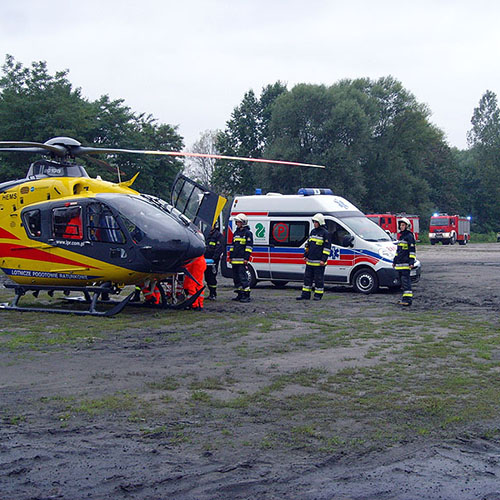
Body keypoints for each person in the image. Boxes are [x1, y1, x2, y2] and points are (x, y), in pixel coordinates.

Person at [297, 213, 331, 301]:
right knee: (307, 279)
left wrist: (323, 260)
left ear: (320, 222)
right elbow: (308, 244)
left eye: (316, 222)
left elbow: (327, 248)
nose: (314, 224)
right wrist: (305, 255)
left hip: (319, 262)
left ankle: (318, 295)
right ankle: (305, 295)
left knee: (318, 280)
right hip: (310, 261)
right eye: (314, 222)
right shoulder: (313, 232)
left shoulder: (325, 233)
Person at [229, 213, 253, 303]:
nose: (236, 223)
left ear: (243, 222)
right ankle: (240, 294)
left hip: (242, 260)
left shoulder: (248, 233)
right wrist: (230, 257)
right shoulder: (236, 233)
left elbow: (249, 247)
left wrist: (246, 258)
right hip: (235, 260)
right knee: (236, 278)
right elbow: (232, 246)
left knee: (243, 278)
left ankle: (246, 295)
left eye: (238, 222)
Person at [393, 217, 416, 306]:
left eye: (403, 225)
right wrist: (394, 261)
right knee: (402, 283)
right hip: (399, 264)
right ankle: (404, 298)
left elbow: (412, 251)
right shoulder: (401, 237)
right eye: (400, 225)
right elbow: (398, 251)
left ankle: (408, 300)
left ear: (407, 226)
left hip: (406, 264)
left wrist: (411, 262)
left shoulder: (409, 236)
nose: (401, 227)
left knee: (406, 282)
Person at [204, 224, 224, 300]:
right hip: (205, 259)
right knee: (207, 277)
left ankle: (213, 293)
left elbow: (219, 248)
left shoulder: (218, 235)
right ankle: (210, 293)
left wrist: (214, 258)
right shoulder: (206, 233)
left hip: (213, 261)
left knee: (212, 277)